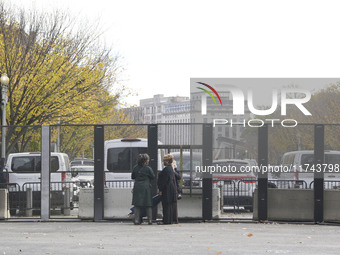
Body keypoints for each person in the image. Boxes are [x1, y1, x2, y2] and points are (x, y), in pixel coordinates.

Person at [131, 153, 155, 225]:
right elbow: (153, 176)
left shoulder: (135, 167)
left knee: (137, 204)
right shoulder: (148, 168)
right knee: (148, 204)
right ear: (146, 161)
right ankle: (150, 220)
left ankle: (136, 220)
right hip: (146, 187)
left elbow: (133, 177)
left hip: (137, 186)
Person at [157, 154, 177, 224]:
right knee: (169, 205)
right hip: (171, 188)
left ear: (167, 161)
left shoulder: (166, 169)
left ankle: (166, 220)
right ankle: (169, 220)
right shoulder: (170, 169)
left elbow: (164, 181)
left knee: (166, 205)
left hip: (167, 189)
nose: (163, 162)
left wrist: (160, 189)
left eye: (164, 161)